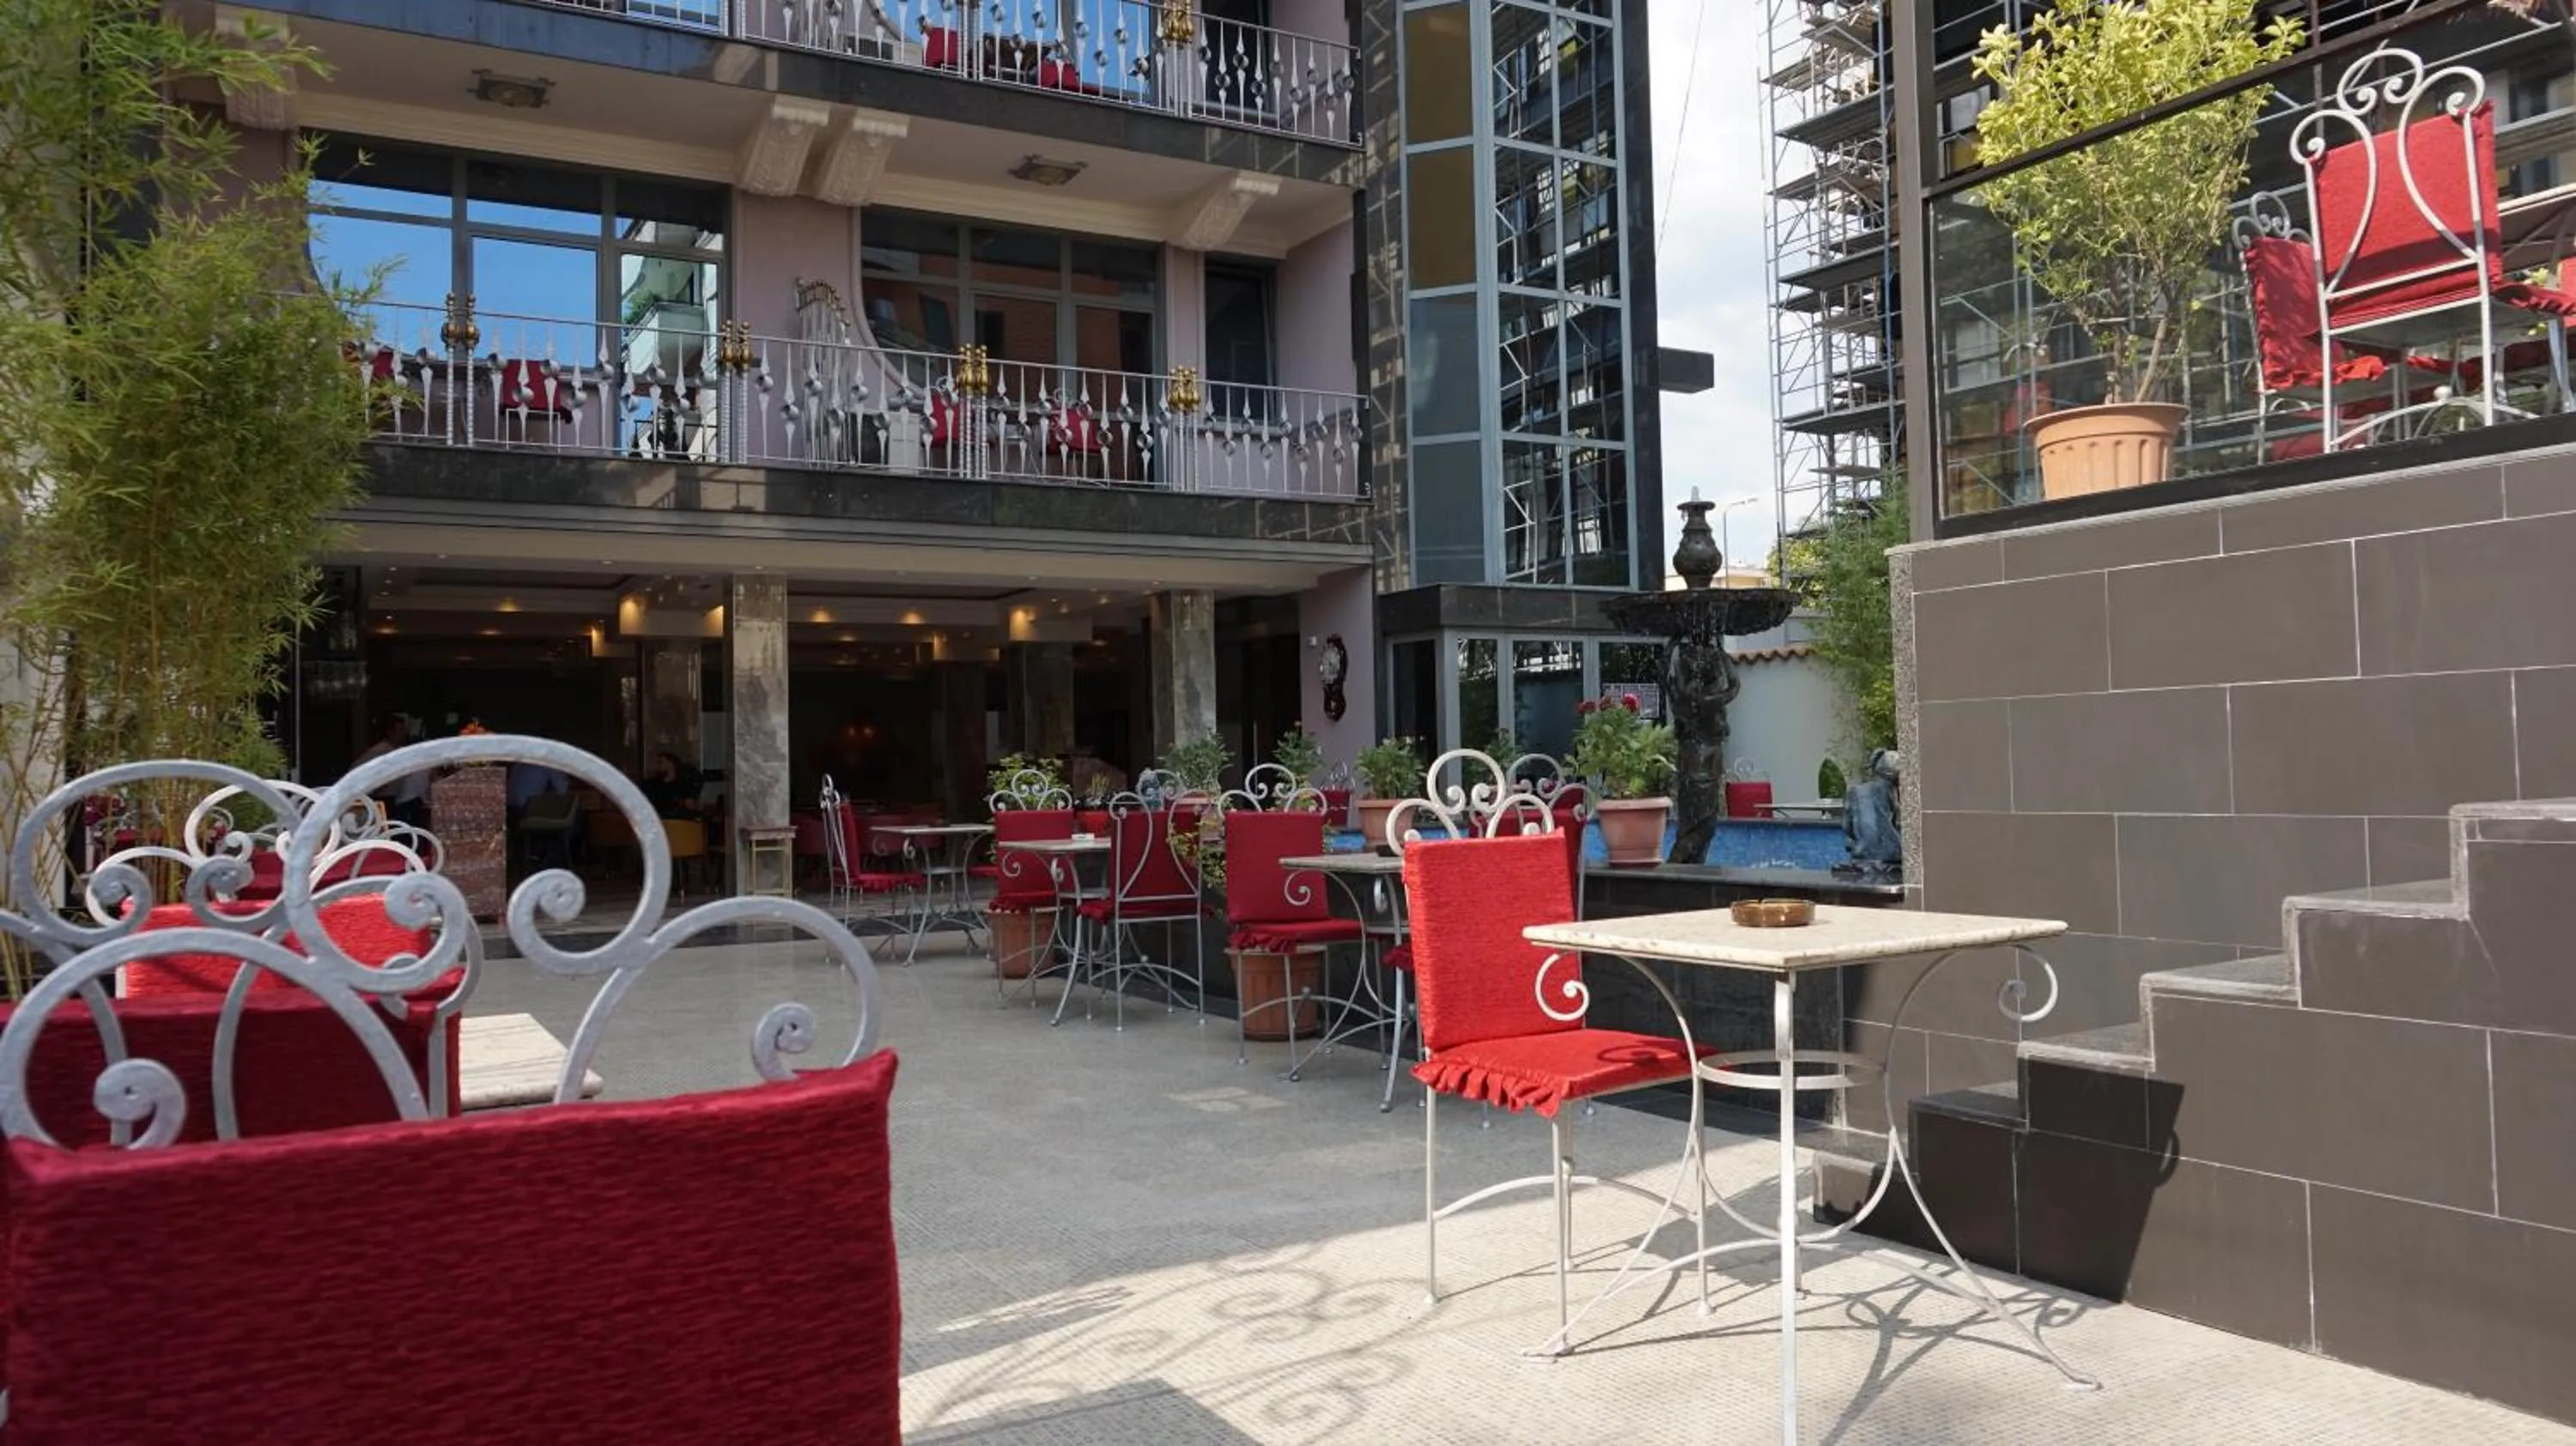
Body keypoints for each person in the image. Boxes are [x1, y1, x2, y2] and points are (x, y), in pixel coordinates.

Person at [353, 714, 429, 828]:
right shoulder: (379, 751)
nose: (403, 733)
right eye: (400, 729)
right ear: (390, 732)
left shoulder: (399, 750)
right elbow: (358, 772)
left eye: (404, 729)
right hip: (381, 798)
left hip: (396, 799)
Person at [642, 750, 706, 822]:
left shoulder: (685, 784)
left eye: (660, 763)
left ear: (671, 763)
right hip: (661, 821)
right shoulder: (653, 785)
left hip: (682, 822)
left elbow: (691, 804)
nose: (657, 766)